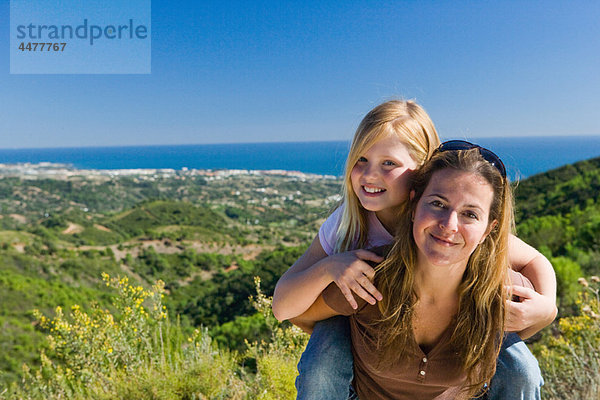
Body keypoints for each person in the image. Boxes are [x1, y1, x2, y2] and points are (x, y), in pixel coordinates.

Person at [272, 101, 556, 399]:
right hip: (359, 314)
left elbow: (534, 259)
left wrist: (547, 307)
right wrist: (330, 268)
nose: (370, 175)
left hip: (437, 318)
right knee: (322, 363)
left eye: (389, 163)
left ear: (422, 170)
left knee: (522, 370)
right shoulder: (349, 223)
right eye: (361, 160)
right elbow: (284, 305)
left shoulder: (445, 215)